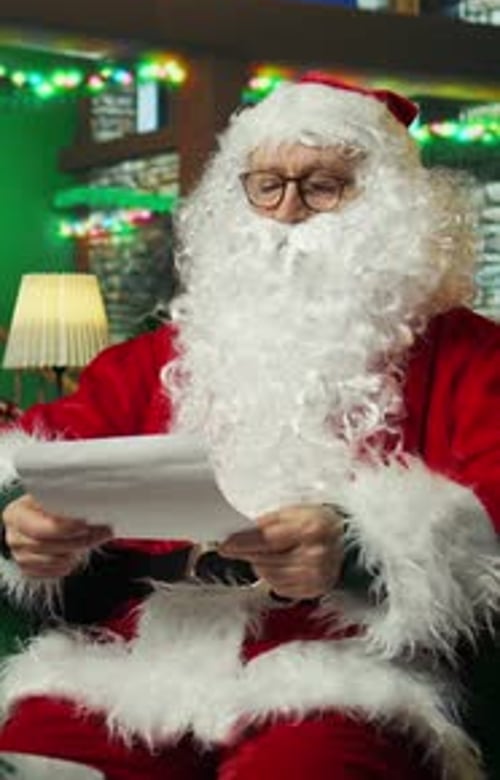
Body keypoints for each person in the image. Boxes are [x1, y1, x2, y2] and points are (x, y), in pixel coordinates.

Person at [0, 72, 498, 780]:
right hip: (147, 654)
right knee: (40, 751)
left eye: (323, 185)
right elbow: (47, 447)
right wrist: (17, 520)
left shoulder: (471, 356)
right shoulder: (159, 355)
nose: (287, 210)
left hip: (345, 665)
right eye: (265, 185)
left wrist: (355, 545)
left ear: (391, 204)